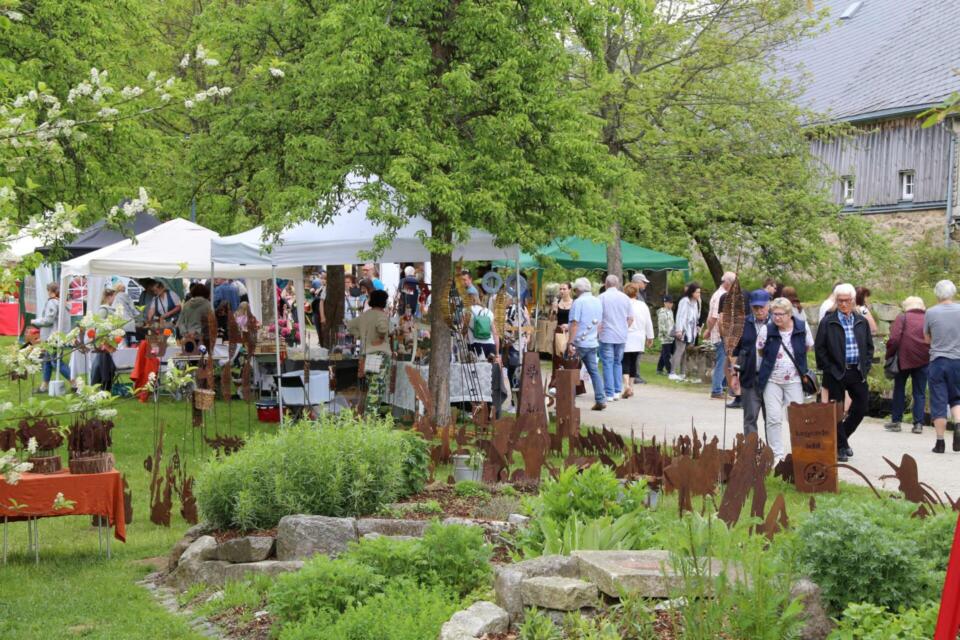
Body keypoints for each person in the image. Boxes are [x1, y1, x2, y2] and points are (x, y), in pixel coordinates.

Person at [815, 282, 873, 462]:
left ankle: (841, 438)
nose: (843, 304)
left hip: (856, 371)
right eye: (840, 301)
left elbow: (869, 347)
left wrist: (866, 365)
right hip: (836, 371)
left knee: (861, 406)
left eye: (847, 301)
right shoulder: (828, 321)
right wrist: (829, 368)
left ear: (853, 301)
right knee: (836, 409)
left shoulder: (861, 321)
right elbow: (820, 348)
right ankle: (840, 446)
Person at [757, 297, 813, 465]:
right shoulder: (767, 330)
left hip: (795, 379)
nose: (777, 318)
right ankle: (776, 457)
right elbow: (760, 350)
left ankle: (799, 454)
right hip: (772, 380)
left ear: (790, 314)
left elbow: (808, 346)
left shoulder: (802, 327)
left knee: (796, 418)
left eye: (780, 314)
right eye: (774, 314)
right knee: (773, 418)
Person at [923, 280, 960, 453]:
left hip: (938, 361)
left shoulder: (931, 312)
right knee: (957, 398)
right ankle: (958, 425)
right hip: (958, 361)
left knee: (939, 400)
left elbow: (926, 339)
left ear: (937, 294)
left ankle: (940, 443)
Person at [885, 296, 929, 434]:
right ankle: (918, 424)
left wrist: (890, 354)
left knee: (899, 389)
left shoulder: (903, 317)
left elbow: (894, 338)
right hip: (924, 359)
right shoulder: (928, 318)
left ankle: (896, 421)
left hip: (904, 358)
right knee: (920, 392)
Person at [731, 290, 771, 437]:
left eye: (762, 307)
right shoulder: (743, 323)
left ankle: (771, 453)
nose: (759, 311)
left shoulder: (775, 322)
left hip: (771, 379)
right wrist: (734, 375)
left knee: (771, 420)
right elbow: (735, 351)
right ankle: (751, 453)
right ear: (750, 307)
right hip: (749, 376)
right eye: (755, 307)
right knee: (750, 417)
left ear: (768, 306)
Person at [347, 289, 391, 414]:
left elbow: (349, 325)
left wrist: (360, 335)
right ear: (383, 302)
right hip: (379, 355)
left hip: (366, 355)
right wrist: (381, 337)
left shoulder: (365, 315)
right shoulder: (381, 315)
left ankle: (367, 417)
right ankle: (370, 420)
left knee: (370, 386)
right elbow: (382, 328)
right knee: (376, 389)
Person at [567, 277, 606, 410]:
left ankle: (568, 401)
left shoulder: (578, 302)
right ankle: (600, 399)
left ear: (577, 289)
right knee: (594, 371)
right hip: (592, 341)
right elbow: (600, 324)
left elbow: (574, 324)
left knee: (570, 371)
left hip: (579, 342)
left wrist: (570, 342)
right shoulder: (597, 301)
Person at [598, 274, 634, 403]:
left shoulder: (601, 298)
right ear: (618, 284)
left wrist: (598, 332)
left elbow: (598, 318)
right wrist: (624, 328)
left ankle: (609, 392)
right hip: (621, 335)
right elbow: (630, 318)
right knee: (617, 363)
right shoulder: (625, 298)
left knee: (607, 363)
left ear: (605, 284)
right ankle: (617, 391)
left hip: (607, 335)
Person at [31, 282, 70, 392]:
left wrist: (35, 321)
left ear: (50, 291)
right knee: (47, 360)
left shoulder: (52, 303)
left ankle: (75, 383)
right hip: (59, 335)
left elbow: (48, 320)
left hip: (53, 338)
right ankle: (44, 386)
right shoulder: (62, 303)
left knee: (56, 362)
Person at [703, 272, 736, 399]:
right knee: (722, 362)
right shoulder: (722, 295)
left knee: (725, 361)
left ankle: (721, 387)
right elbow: (714, 318)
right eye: (733, 284)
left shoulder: (719, 293)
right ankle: (717, 390)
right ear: (727, 283)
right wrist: (709, 330)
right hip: (722, 334)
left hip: (720, 333)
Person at [622, 283, 654, 399]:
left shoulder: (624, 304)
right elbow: (648, 322)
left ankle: (626, 385)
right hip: (639, 337)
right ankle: (631, 385)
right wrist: (650, 337)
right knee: (634, 362)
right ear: (636, 293)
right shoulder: (642, 305)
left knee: (625, 361)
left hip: (626, 336)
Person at [670, 283, 701, 381]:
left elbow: (696, 316)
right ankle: (672, 372)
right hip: (683, 329)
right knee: (679, 350)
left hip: (691, 330)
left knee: (686, 352)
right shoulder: (684, 301)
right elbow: (680, 316)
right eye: (697, 292)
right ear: (692, 292)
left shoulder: (696, 302)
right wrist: (679, 330)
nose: (699, 294)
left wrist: (697, 326)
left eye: (699, 292)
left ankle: (683, 372)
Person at [463, 292, 500, 361]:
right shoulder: (488, 312)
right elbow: (495, 334)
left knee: (477, 370)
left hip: (474, 345)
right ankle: (491, 355)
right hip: (490, 344)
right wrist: (497, 353)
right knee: (490, 370)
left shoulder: (467, 311)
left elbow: (464, 330)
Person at [112, 281, 138, 345]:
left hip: (118, 323)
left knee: (120, 342)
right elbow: (133, 308)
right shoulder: (126, 296)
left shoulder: (114, 297)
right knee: (129, 342)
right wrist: (138, 316)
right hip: (128, 322)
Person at [656, 295, 675, 375]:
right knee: (667, 354)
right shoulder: (662, 312)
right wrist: (667, 335)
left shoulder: (670, 312)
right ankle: (669, 370)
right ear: (665, 303)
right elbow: (661, 326)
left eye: (672, 303)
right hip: (665, 337)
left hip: (671, 336)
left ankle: (659, 369)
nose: (671, 304)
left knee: (664, 353)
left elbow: (672, 323)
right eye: (669, 303)